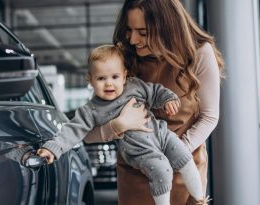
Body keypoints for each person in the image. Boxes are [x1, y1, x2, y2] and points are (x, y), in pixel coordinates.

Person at [84, 0, 224, 204]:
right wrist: (117, 126)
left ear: (167, 28)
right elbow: (92, 125)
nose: (133, 39)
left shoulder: (200, 53)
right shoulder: (124, 57)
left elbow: (209, 116)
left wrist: (174, 152)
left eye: (143, 32)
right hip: (135, 172)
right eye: (130, 30)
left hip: (184, 169)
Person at [37, 45, 208, 205]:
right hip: (139, 150)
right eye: (101, 78)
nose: (109, 83)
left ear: (125, 76)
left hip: (162, 134)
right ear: (91, 80)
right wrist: (53, 148)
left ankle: (200, 200)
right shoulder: (91, 110)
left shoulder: (134, 86)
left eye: (114, 77)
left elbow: (155, 92)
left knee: (185, 157)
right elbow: (72, 130)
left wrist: (167, 99)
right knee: (162, 170)